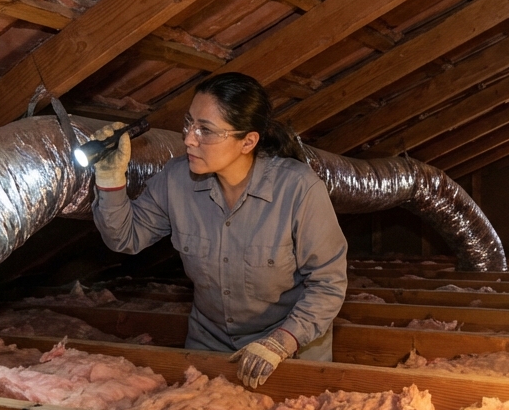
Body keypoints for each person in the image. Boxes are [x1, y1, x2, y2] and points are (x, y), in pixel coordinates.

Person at [90, 73, 347, 388]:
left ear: (247, 141)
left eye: (205, 131)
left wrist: (282, 341)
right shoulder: (176, 181)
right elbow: (123, 238)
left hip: (290, 344)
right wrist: (109, 178)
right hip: (210, 344)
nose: (189, 139)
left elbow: (327, 283)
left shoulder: (298, 189)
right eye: (189, 124)